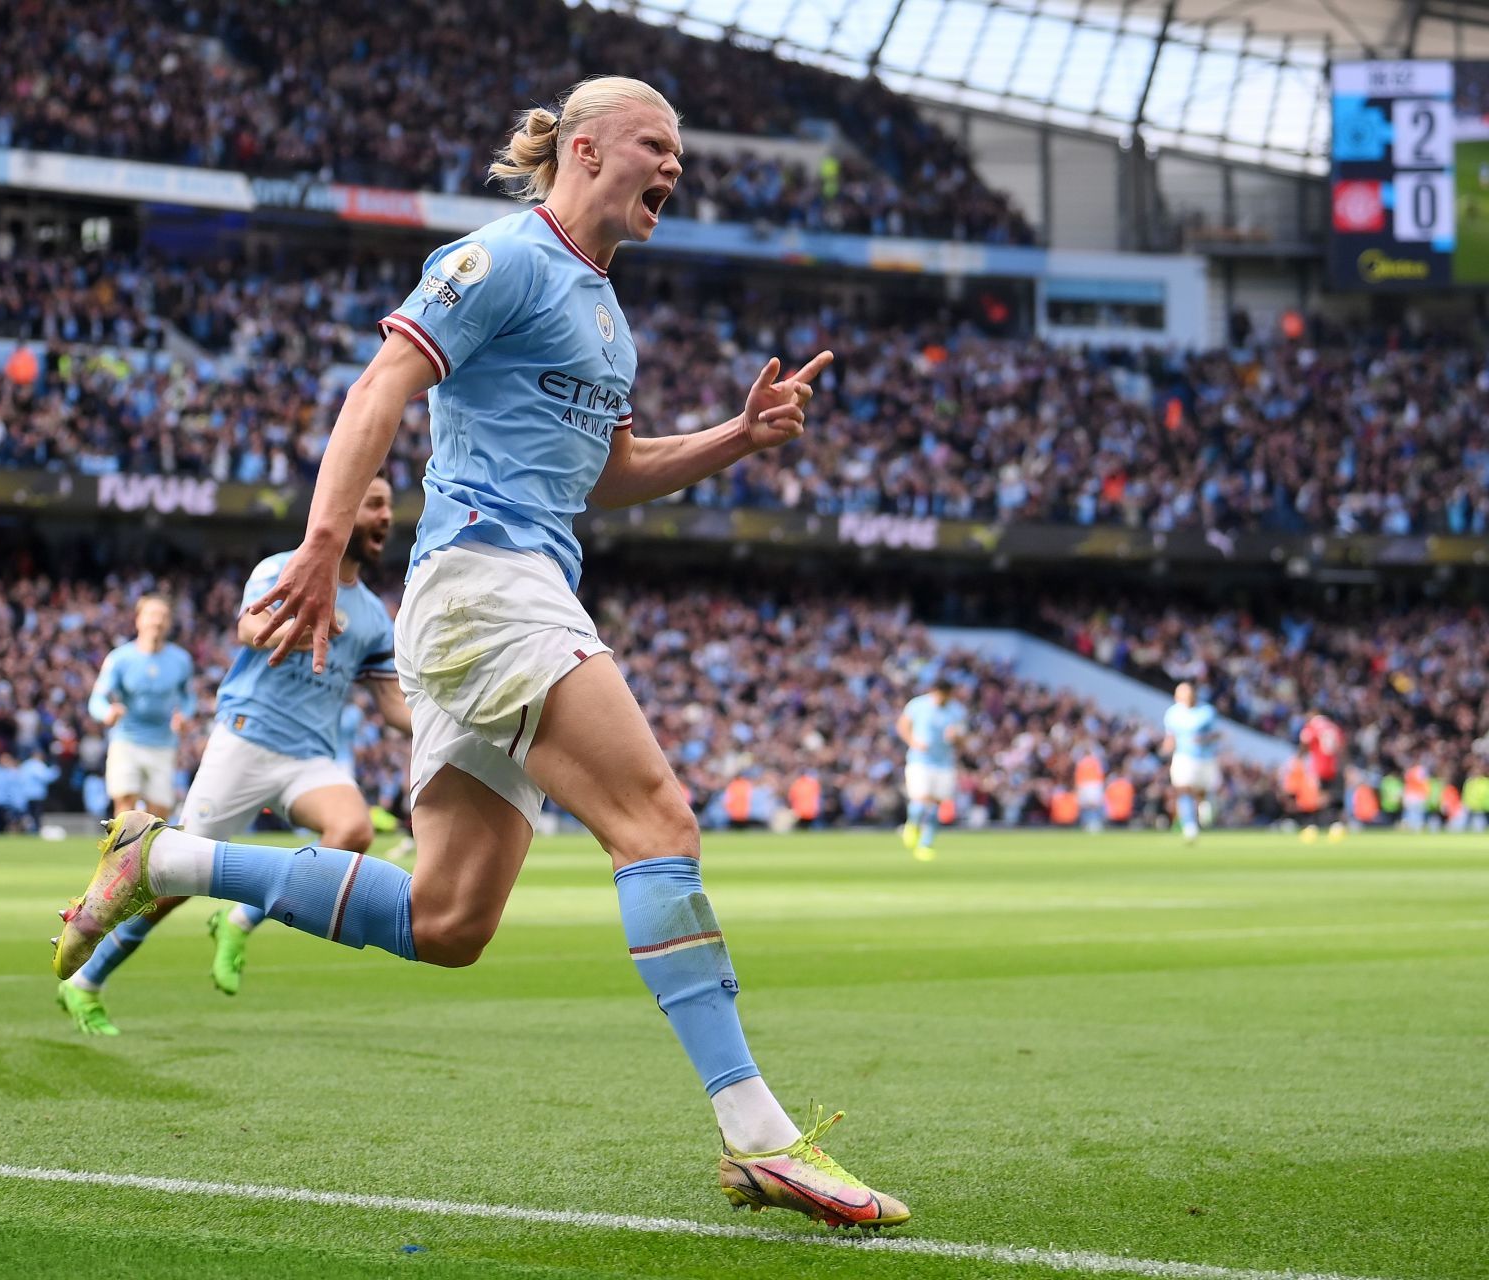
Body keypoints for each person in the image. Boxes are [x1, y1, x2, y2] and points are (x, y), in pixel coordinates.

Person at [50, 76, 908, 1229]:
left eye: (681, 155)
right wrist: (316, 546)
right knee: (657, 823)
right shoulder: (496, 259)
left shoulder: (605, 309)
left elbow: (612, 472)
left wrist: (738, 436)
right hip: (483, 582)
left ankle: (165, 863)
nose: (675, 168)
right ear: (589, 146)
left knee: (448, 922)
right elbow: (381, 385)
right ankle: (760, 1135)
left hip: (508, 588)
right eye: (659, 146)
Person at [55, 477, 413, 1036]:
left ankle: (239, 918)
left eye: (389, 505)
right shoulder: (283, 568)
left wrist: (457, 727)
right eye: (373, 503)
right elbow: (248, 627)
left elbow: (392, 705)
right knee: (168, 886)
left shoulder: (372, 615)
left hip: (309, 758)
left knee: (353, 830)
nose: (386, 515)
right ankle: (86, 981)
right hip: (245, 741)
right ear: (342, 508)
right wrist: (299, 627)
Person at [85, 595, 194, 816]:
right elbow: (96, 699)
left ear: (170, 623)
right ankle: (125, 852)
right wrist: (107, 713)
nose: (157, 621)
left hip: (163, 744)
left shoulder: (181, 660)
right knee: (125, 804)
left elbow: (188, 697)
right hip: (127, 741)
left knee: (159, 814)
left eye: (163, 616)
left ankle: (149, 852)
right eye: (152, 615)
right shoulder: (120, 658)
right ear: (138, 620)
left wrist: (185, 715)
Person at [894, 678, 964, 861]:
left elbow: (963, 740)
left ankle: (925, 844)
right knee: (920, 801)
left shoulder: (957, 710)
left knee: (935, 806)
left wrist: (955, 738)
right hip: (920, 761)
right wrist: (912, 742)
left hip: (944, 763)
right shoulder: (917, 705)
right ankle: (913, 825)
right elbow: (902, 725)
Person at [1161, 681, 1222, 844]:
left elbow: (1217, 734)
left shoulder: (1206, 711)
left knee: (1201, 791)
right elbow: (1170, 737)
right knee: (1183, 789)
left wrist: (1203, 739)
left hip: (1204, 758)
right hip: (1183, 757)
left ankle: (1204, 806)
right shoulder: (1172, 714)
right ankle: (1189, 826)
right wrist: (1164, 751)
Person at [1298, 708, 1344, 824]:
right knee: (1329, 795)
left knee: (1318, 795)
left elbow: (1305, 741)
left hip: (1319, 765)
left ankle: (1315, 823)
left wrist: (1299, 758)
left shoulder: (1312, 725)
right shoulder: (1333, 726)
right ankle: (1333, 822)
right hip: (1333, 766)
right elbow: (1340, 747)